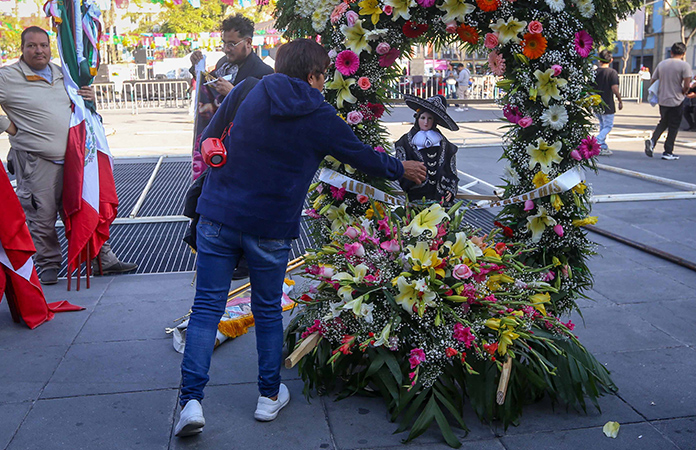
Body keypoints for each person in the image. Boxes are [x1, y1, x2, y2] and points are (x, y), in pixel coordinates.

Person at [174, 39, 426, 437]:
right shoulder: (320, 114)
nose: (324, 83)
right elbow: (361, 156)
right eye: (324, 75)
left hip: (219, 214)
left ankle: (191, 402)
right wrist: (402, 169)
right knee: (269, 310)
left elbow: (211, 133)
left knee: (207, 307)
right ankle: (267, 398)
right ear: (313, 75)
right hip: (270, 225)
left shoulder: (248, 89)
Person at [0, 26, 136, 285]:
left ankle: (101, 260)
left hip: (76, 159)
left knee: (86, 208)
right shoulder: (7, 77)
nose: (38, 50)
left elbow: (80, 107)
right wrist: (8, 126)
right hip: (37, 161)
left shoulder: (63, 74)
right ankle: (49, 265)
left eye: (43, 45)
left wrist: (89, 97)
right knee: (43, 216)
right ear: (22, 48)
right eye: (32, 45)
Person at [189, 14, 274, 279]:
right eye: (224, 43)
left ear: (248, 42)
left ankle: (248, 259)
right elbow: (208, 89)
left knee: (248, 205)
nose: (227, 48)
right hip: (219, 146)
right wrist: (198, 69)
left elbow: (267, 109)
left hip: (249, 149)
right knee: (221, 202)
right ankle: (226, 253)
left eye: (232, 43)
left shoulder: (264, 72)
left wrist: (234, 91)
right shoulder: (224, 64)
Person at [395, 94, 459, 205]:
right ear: (417, 118)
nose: (426, 122)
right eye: (423, 118)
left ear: (434, 121)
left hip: (440, 198)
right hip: (416, 197)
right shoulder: (404, 142)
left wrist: (450, 188)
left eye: (430, 119)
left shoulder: (445, 143)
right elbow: (401, 169)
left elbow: (451, 169)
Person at [644, 42, 693, 160]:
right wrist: (684, 91)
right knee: (674, 125)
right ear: (684, 53)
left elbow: (653, 80)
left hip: (663, 99)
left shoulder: (662, 64)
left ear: (671, 52)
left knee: (663, 122)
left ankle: (653, 140)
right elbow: (687, 84)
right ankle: (668, 151)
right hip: (676, 99)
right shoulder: (684, 66)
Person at [594, 50, 623, 156]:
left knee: (602, 124)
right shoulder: (612, 73)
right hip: (608, 102)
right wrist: (620, 100)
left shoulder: (595, 72)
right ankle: (597, 141)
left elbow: (589, 89)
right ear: (611, 60)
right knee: (608, 126)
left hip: (596, 102)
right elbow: (614, 88)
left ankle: (602, 146)